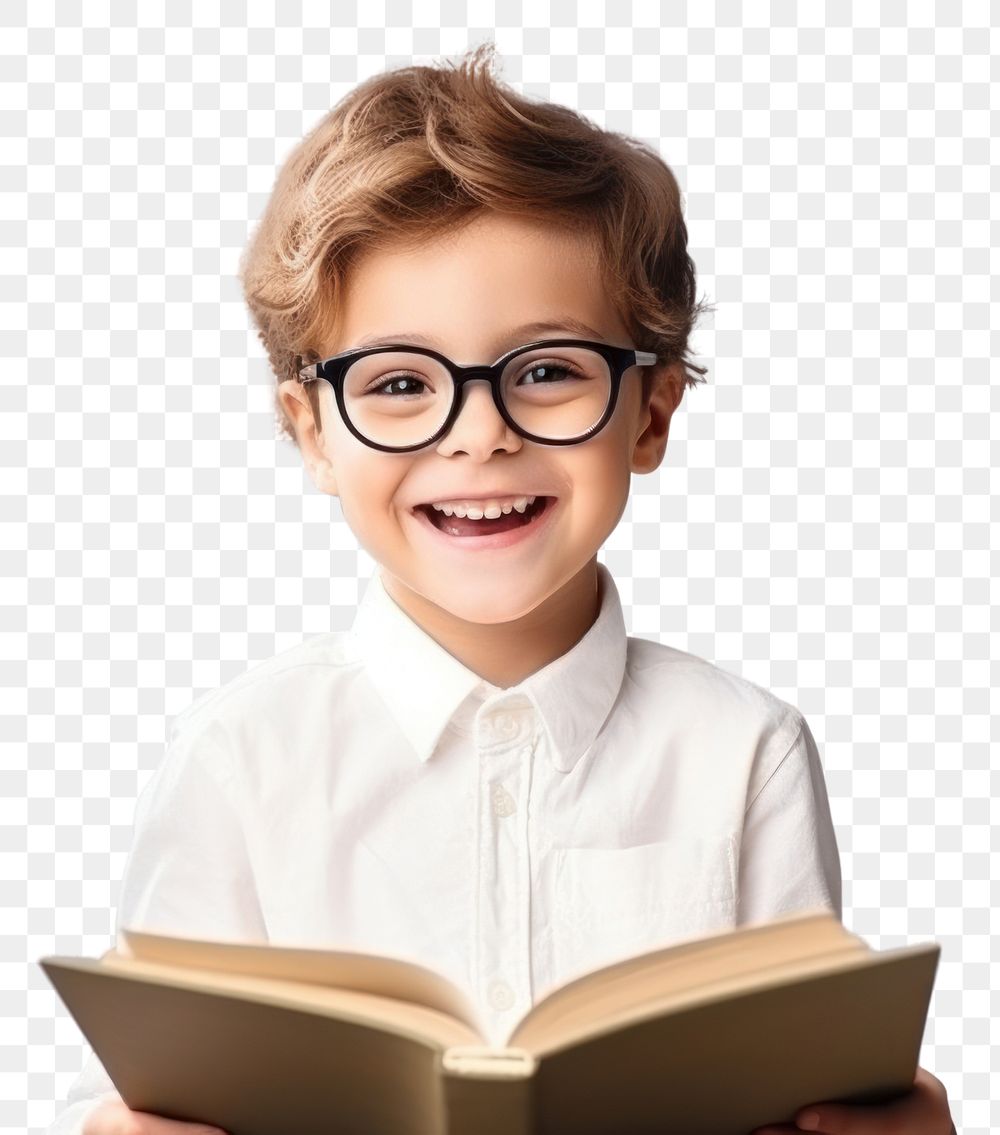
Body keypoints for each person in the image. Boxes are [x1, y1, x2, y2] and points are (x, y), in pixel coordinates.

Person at [50, 43, 956, 1135]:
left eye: (546, 370)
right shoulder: (240, 759)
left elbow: (800, 1082)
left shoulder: (745, 749)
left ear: (651, 411)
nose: (479, 435)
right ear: (313, 433)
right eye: (396, 383)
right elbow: (172, 1091)